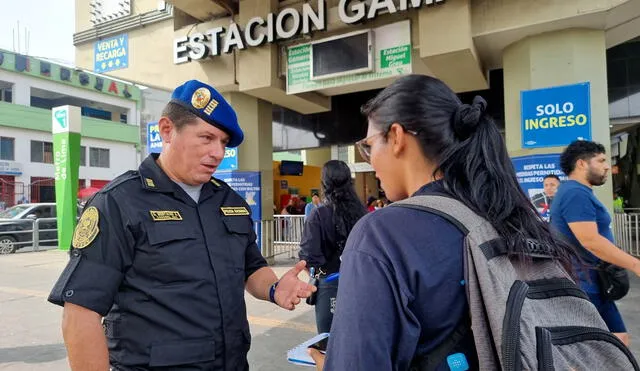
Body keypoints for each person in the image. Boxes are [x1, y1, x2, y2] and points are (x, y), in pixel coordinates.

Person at [307, 74, 578, 370]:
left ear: (397, 137)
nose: (370, 161)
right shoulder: (504, 214)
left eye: (369, 146)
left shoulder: (382, 234)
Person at [47, 80, 316, 371]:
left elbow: (251, 267)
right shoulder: (119, 202)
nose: (217, 152)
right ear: (167, 130)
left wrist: (275, 288)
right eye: (206, 138)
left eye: (223, 143)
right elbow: (80, 314)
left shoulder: (229, 201)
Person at [550, 140, 640, 346]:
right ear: (581, 164)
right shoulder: (575, 193)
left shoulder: (577, 191)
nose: (607, 166)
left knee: (617, 340)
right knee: (591, 349)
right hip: (583, 283)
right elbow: (591, 241)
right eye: (601, 160)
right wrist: (635, 264)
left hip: (592, 281)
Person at [299, 160, 366, 333]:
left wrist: (318, 273)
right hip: (360, 282)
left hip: (329, 286)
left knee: (328, 342)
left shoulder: (319, 214)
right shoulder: (363, 213)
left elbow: (309, 257)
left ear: (324, 183)